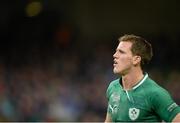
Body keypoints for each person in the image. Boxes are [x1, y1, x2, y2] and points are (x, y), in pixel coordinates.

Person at [105, 34, 180, 122]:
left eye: (121, 52)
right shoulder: (113, 87)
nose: (114, 55)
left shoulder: (155, 93)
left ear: (136, 59)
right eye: (116, 51)